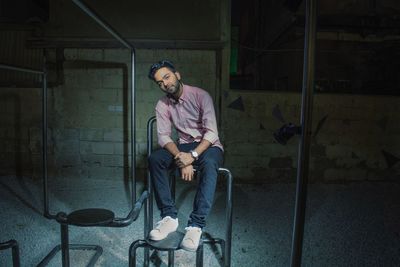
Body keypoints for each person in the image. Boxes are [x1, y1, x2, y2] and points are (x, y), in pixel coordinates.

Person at [147, 60, 223, 252]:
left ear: (177, 75)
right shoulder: (162, 104)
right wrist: (182, 157)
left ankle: (196, 225)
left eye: (167, 77)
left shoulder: (201, 96)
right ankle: (169, 217)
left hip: (208, 144)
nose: (165, 83)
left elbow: (212, 133)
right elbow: (163, 137)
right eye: (159, 82)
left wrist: (193, 156)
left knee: (210, 163)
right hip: (183, 146)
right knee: (155, 159)